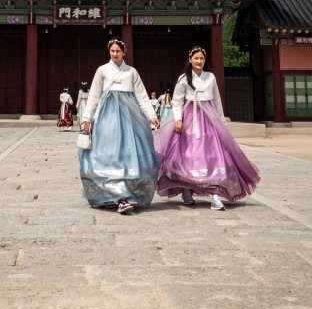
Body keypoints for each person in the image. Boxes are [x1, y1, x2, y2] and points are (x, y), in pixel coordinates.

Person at [156, 46, 260, 210]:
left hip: (209, 121)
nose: (199, 61)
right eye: (196, 58)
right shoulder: (184, 78)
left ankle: (215, 195)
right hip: (190, 119)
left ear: (205, 61)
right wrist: (178, 120)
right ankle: (186, 189)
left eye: (201, 59)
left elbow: (217, 101)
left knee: (213, 155)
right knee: (188, 156)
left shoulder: (210, 77)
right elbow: (177, 101)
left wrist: (221, 122)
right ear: (190, 60)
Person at [79, 37, 160, 214]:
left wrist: (151, 115)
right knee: (108, 154)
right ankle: (115, 194)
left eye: (118, 51)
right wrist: (87, 119)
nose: (115, 54)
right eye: (112, 51)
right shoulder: (102, 70)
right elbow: (93, 95)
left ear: (124, 52)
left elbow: (142, 96)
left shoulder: (131, 72)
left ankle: (123, 194)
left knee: (129, 153)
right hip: (107, 116)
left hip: (129, 117)